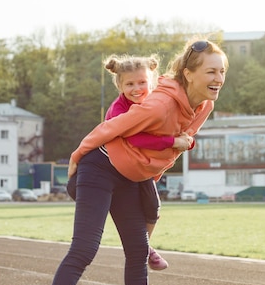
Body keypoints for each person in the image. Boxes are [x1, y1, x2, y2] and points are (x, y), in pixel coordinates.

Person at [28, 38, 228, 285]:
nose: (219, 78)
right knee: (84, 249)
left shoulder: (203, 106)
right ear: (189, 73)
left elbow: (177, 146)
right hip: (100, 166)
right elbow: (108, 130)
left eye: (222, 71)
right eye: (211, 71)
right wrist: (76, 162)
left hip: (131, 176)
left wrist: (155, 170)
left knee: (137, 253)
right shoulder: (159, 105)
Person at [66, 53, 188, 270]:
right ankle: (145, 248)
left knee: (153, 206)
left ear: (151, 82)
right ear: (119, 86)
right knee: (99, 231)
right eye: (130, 84)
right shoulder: (118, 110)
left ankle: (146, 246)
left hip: (140, 165)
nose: (137, 88)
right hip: (118, 166)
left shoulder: (155, 103)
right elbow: (135, 137)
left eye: (142, 82)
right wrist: (172, 141)